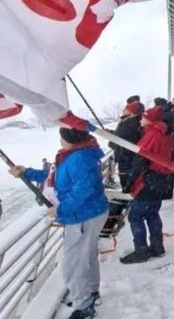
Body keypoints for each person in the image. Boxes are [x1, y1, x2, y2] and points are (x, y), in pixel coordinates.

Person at [9, 128, 108, 319]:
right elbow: (55, 176)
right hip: (88, 212)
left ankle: (84, 304)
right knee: (86, 256)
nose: (60, 141)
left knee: (74, 262)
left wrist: (61, 209)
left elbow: (83, 189)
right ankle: (91, 292)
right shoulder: (75, 154)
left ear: (69, 140)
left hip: (83, 216)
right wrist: (26, 172)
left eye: (61, 137)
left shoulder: (79, 158)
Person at [120, 106, 174, 264]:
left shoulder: (151, 136)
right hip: (161, 181)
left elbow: (140, 161)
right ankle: (158, 246)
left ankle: (141, 249)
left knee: (135, 216)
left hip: (149, 181)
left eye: (143, 117)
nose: (141, 119)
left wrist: (129, 182)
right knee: (152, 213)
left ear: (150, 120)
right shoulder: (166, 135)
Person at [110, 100, 143, 188]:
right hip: (127, 154)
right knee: (127, 175)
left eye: (126, 108)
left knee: (125, 176)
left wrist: (112, 142)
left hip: (125, 154)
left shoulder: (130, 123)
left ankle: (127, 194)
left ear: (132, 111)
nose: (123, 110)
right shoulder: (132, 121)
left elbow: (120, 137)